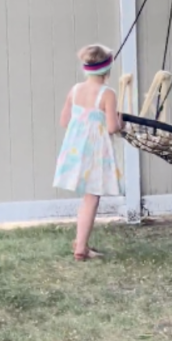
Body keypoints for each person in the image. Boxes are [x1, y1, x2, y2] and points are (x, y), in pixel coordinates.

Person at [53, 44, 124, 261]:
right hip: (95, 152)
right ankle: (81, 247)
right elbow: (112, 127)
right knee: (92, 198)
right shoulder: (107, 93)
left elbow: (64, 121)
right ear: (107, 69)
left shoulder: (75, 90)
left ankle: (80, 243)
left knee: (87, 197)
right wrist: (119, 120)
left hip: (75, 150)